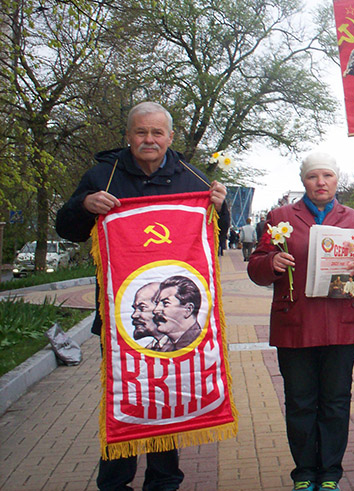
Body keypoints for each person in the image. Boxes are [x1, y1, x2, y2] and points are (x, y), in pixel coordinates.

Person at [55, 101, 229, 491]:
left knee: (166, 399)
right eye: (141, 132)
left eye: (156, 133)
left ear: (170, 137)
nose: (149, 140)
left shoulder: (192, 178)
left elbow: (214, 241)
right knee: (126, 398)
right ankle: (115, 482)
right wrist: (84, 205)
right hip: (120, 320)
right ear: (128, 136)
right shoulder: (103, 176)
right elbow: (67, 227)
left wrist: (222, 207)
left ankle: (164, 481)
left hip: (170, 323)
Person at [248, 151, 354, 491]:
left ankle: (330, 473)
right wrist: (271, 263)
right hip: (295, 325)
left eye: (327, 176)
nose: (320, 182)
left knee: (336, 402)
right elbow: (256, 268)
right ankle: (304, 472)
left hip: (341, 327)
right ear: (303, 181)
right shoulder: (280, 217)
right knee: (299, 402)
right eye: (313, 176)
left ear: (337, 180)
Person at [153, 275, 203, 352]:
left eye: (165, 303)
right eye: (157, 304)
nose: (155, 310)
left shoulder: (199, 343)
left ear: (188, 309)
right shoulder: (165, 348)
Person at [131, 283, 165, 351]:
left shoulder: (181, 345)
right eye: (135, 309)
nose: (134, 315)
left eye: (142, 308)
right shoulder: (149, 349)